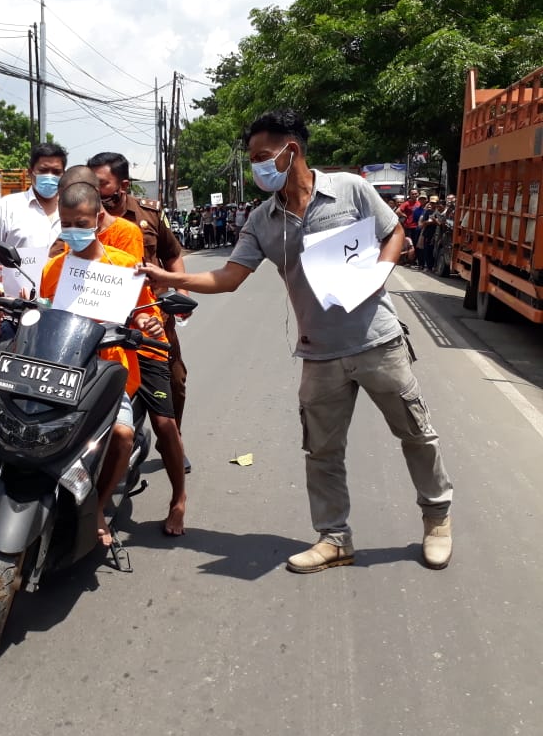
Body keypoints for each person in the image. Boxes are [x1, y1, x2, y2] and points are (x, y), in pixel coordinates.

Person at [137, 109, 454, 573]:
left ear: (293, 151)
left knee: (416, 434)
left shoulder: (350, 189)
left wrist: (381, 272)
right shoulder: (263, 219)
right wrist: (169, 277)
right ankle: (334, 538)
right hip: (319, 354)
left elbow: (395, 232)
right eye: (252, 160)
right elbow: (229, 277)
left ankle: (437, 520)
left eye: (263, 157)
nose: (257, 168)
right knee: (322, 451)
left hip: (378, 343)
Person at [40, 181, 162, 546]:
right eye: (66, 223)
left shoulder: (124, 266)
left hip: (107, 372)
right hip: (59, 368)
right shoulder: (53, 269)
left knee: (124, 435)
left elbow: (146, 313)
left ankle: (99, 505)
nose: (72, 231)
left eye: (80, 223)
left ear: (97, 218)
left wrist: (146, 322)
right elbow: (43, 313)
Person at [87, 151, 192, 475]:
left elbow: (172, 255)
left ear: (122, 184)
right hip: (102, 319)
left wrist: (182, 293)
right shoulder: (82, 219)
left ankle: (172, 441)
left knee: (174, 383)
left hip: (151, 316)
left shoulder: (146, 216)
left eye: (101, 183)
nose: (95, 189)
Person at [0, 142, 68, 340]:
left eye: (56, 172)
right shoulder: (8, 207)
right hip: (12, 316)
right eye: (44, 170)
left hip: (59, 318)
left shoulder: (72, 211)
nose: (50, 176)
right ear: (31, 172)